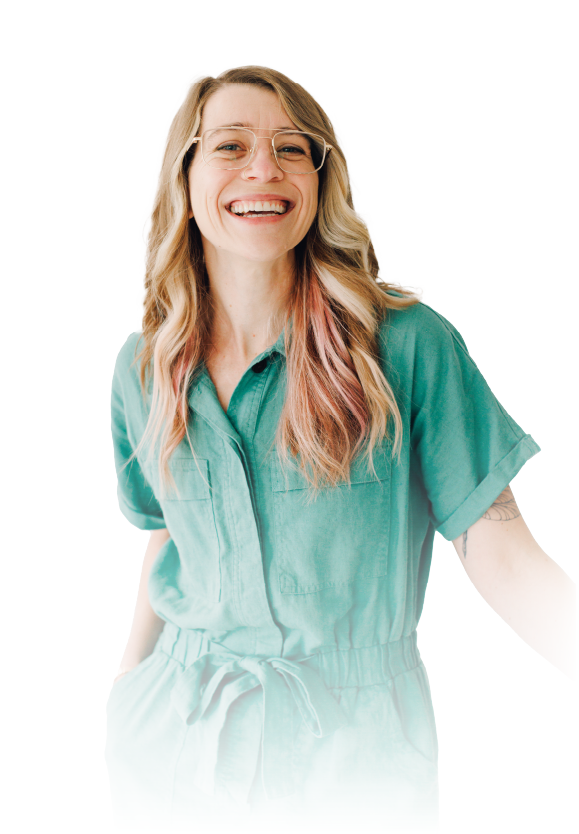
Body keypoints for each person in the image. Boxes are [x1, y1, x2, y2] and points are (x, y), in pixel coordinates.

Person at [105, 64, 576, 834]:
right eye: (229, 146)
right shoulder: (145, 364)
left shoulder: (406, 346)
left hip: (354, 756)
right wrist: (121, 692)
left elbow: (501, 553)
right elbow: (169, 536)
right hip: (171, 745)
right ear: (183, 177)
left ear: (320, 182)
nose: (265, 167)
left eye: (294, 148)